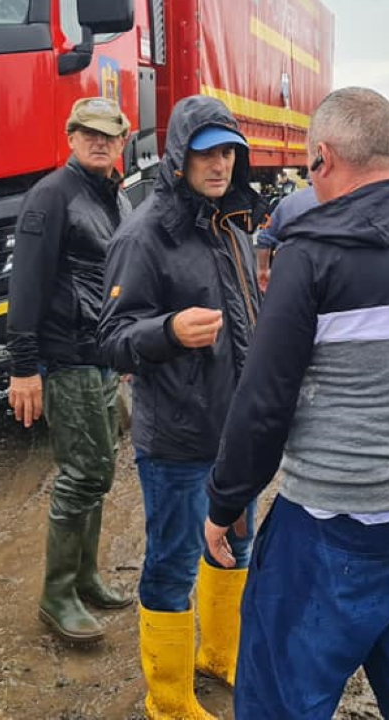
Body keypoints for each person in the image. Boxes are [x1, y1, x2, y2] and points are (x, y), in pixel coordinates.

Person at [204, 87, 389, 719]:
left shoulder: (311, 258)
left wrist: (227, 501)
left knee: (282, 697)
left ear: (323, 157)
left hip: (329, 528)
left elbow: (264, 400)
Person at [98, 95, 263, 719]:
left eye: (228, 152)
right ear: (178, 158)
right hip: (177, 440)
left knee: (237, 547)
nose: (219, 165)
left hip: (235, 434)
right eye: (206, 153)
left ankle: (219, 654)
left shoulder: (232, 226)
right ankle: (167, 701)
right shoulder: (145, 234)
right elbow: (110, 340)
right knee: (171, 565)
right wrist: (167, 331)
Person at [5, 97, 134, 643]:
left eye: (109, 135)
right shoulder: (52, 196)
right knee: (84, 473)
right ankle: (56, 595)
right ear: (71, 137)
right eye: (88, 134)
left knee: (99, 472)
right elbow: (26, 283)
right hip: (67, 356)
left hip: (101, 354)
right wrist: (23, 367)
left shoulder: (115, 196)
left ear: (122, 141)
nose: (99, 142)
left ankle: (85, 577)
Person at [255, 184, 317, 292]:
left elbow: (264, 239)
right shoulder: (348, 200)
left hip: (290, 274)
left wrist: (263, 269)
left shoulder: (288, 202)